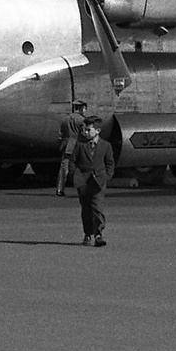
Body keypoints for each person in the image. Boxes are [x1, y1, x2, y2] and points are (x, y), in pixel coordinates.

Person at [72, 116, 115, 247]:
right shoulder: (80, 144)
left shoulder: (105, 146)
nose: (85, 132)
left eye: (88, 130)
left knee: (97, 207)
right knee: (86, 209)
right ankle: (87, 234)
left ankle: (98, 234)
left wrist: (106, 176)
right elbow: (73, 161)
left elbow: (110, 163)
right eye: (85, 130)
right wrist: (75, 175)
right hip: (83, 181)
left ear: (97, 131)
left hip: (98, 181)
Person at [56, 100, 87, 196]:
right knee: (82, 166)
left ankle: (60, 189)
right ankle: (82, 188)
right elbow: (84, 134)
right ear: (82, 108)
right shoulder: (82, 120)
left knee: (64, 167)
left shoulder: (65, 119)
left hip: (66, 146)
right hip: (78, 146)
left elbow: (60, 135)